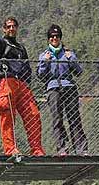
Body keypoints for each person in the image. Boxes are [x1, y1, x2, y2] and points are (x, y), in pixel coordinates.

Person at [0, 0, 46, 157]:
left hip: (22, 84)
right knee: (7, 115)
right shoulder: (1, 44)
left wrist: (26, 83)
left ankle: (36, 149)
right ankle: (10, 150)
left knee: (33, 115)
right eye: (8, 26)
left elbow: (27, 69)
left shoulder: (21, 48)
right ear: (4, 29)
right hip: (6, 81)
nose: (11, 29)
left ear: (17, 29)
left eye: (13, 26)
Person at [37, 24, 88, 156]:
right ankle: (62, 149)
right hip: (53, 88)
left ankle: (81, 150)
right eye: (52, 36)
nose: (54, 38)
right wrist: (45, 62)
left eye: (57, 36)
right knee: (57, 119)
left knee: (74, 118)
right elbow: (41, 76)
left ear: (60, 37)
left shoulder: (68, 53)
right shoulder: (44, 55)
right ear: (48, 39)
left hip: (69, 86)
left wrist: (72, 59)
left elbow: (79, 71)